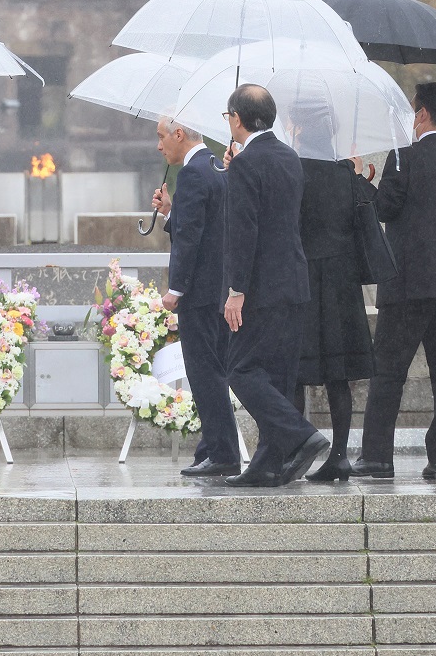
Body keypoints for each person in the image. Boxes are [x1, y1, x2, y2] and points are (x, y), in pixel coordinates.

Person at [352, 82, 436, 482]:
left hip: (408, 285)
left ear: (423, 114)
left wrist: (364, 180)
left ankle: (377, 458)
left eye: (413, 111)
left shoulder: (403, 157)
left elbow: (386, 208)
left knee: (389, 372)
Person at [221, 84, 329, 487]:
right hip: (293, 283)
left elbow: (245, 231)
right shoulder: (289, 157)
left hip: (260, 290)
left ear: (237, 118)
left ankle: (302, 435)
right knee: (279, 377)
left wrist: (236, 290)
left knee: (241, 369)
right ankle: (267, 464)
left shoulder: (247, 164)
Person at [151, 117, 240, 478]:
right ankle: (212, 447)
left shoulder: (190, 173)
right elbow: (203, 224)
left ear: (179, 134)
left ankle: (223, 454)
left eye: (161, 137)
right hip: (218, 289)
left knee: (205, 375)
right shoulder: (217, 168)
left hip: (200, 294)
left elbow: (189, 239)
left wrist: (175, 289)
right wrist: (171, 211)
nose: (159, 146)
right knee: (213, 371)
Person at [292, 147, 376, 482]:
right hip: (342, 281)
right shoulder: (345, 173)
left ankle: (292, 451)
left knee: (295, 370)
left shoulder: (294, 170)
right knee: (338, 373)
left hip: (306, 277)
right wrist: (355, 176)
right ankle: (339, 456)